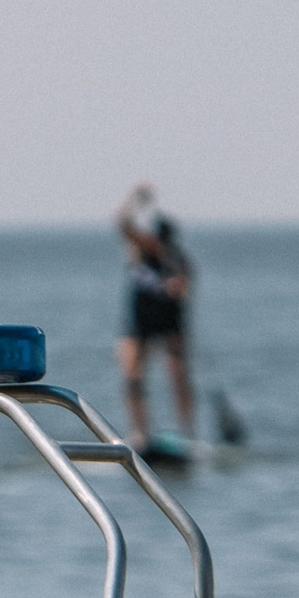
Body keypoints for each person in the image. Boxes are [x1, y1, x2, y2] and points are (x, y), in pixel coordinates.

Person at [115, 184, 197, 450]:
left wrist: (174, 285)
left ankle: (188, 434)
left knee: (177, 374)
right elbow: (122, 223)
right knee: (132, 376)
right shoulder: (140, 254)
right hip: (140, 323)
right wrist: (135, 200)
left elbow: (183, 289)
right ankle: (140, 433)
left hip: (169, 323)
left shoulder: (178, 260)